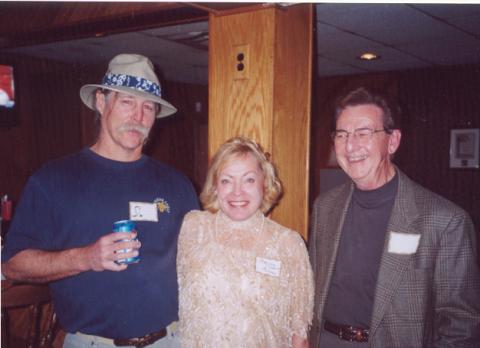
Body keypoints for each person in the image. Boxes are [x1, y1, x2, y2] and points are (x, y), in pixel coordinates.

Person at [2, 53, 199, 348]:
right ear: (100, 101)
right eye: (127, 102)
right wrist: (86, 258)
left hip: (171, 340)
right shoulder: (53, 180)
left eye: (148, 106)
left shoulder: (177, 184)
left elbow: (201, 259)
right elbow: (13, 264)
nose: (138, 116)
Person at [308, 87, 480, 347]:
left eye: (363, 133)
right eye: (342, 134)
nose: (350, 145)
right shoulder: (324, 207)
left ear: (392, 141)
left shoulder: (444, 221)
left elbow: (462, 325)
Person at [177, 136, 314, 348]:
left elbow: (299, 337)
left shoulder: (288, 244)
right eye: (226, 180)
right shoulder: (193, 228)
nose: (237, 191)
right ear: (215, 186)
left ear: (265, 184)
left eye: (249, 179)